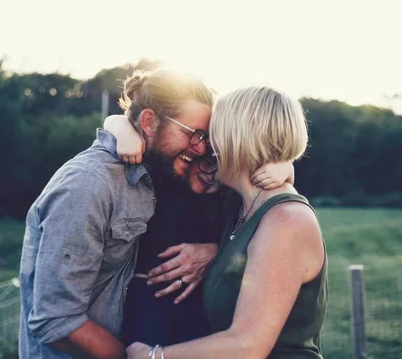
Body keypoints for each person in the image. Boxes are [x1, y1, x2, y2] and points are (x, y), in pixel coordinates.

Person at [18, 69, 214, 359]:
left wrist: (212, 251)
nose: (200, 147)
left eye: (204, 136)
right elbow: (56, 320)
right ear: (148, 122)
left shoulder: (154, 172)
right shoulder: (88, 186)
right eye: (191, 133)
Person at [127, 86, 329, 359]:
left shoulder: (286, 220)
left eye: (214, 135)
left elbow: (247, 346)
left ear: (239, 139)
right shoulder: (237, 207)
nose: (206, 147)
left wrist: (154, 356)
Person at [102, 116, 294, 347]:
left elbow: (256, 227)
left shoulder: (230, 196)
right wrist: (124, 132)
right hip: (148, 298)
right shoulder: (164, 176)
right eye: (203, 159)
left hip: (200, 301)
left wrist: (287, 166)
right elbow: (116, 120)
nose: (210, 172)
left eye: (217, 162)